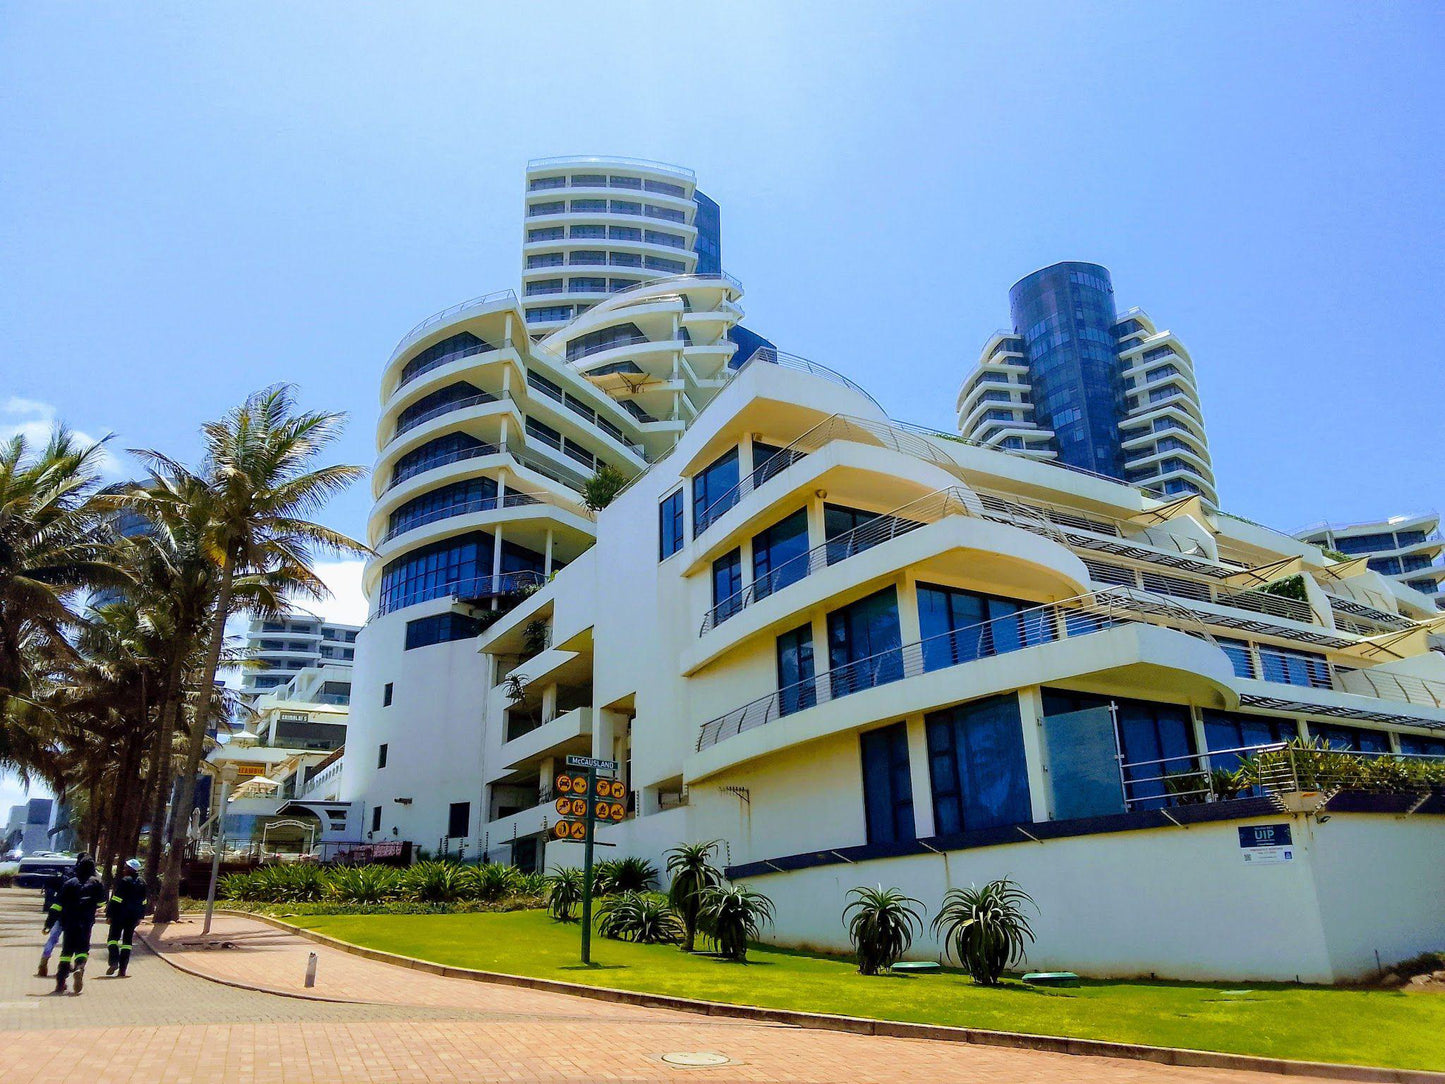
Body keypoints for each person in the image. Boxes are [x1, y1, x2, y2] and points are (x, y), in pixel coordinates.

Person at [53, 854, 105, 995]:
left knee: (66, 952)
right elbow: (102, 902)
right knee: (82, 949)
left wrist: (48, 923)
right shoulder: (96, 883)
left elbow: (57, 904)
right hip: (86, 921)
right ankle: (79, 967)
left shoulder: (70, 883)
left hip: (69, 921)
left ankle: (60, 983)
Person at [105, 858, 147, 977]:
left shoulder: (124, 881)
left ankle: (114, 961)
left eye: (126, 867)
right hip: (133, 917)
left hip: (119, 915)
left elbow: (116, 899)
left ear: (130, 869)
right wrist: (140, 916)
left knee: (112, 939)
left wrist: (109, 914)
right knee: (127, 943)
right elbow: (144, 901)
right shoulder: (142, 882)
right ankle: (122, 970)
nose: (124, 869)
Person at [34, 863, 68, 977]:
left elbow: (55, 907)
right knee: (71, 943)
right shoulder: (87, 884)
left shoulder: (66, 885)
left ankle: (43, 962)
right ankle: (68, 964)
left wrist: (48, 925)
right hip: (75, 920)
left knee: (52, 939)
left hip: (59, 918)